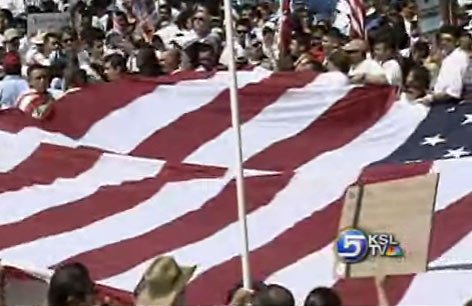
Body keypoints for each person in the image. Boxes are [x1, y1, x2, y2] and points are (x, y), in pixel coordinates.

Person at [418, 25, 469, 104]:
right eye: (442, 40)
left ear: (457, 42)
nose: (444, 43)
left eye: (448, 40)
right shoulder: (449, 57)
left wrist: (431, 98)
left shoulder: (456, 59)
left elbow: (452, 92)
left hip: (448, 105)